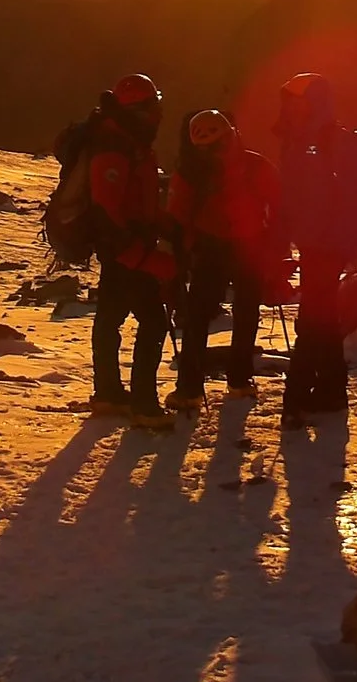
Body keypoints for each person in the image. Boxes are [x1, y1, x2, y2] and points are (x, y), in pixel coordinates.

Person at [52, 72, 176, 426]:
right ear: (140, 110)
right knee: (152, 320)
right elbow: (109, 214)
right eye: (154, 106)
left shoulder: (122, 140)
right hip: (125, 247)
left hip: (124, 246)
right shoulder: (116, 149)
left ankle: (108, 393)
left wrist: (163, 223)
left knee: (110, 317)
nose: (159, 114)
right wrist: (143, 257)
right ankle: (144, 404)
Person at [273, 72, 357, 425]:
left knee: (312, 318)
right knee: (323, 317)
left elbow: (348, 194)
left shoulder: (330, 141)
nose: (289, 107)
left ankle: (298, 400)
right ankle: (331, 392)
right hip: (318, 242)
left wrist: (335, 232)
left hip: (327, 243)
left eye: (296, 100)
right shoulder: (300, 139)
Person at [165, 108, 282, 411]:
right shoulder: (256, 165)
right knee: (245, 313)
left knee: (198, 316)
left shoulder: (191, 170)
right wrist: (276, 247)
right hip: (249, 244)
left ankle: (190, 387)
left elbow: (178, 212)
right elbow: (280, 206)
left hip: (211, 246)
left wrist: (181, 246)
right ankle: (239, 381)